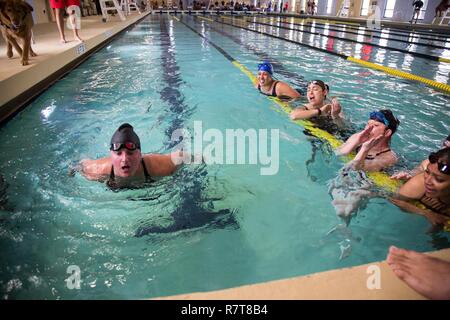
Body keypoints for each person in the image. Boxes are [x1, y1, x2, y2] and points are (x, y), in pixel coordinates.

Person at [80, 123, 184, 188]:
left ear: (140, 155)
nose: (124, 159)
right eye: (118, 153)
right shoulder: (96, 169)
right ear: (111, 155)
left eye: (130, 153)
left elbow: (184, 156)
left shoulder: (158, 166)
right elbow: (77, 166)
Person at [391, 147, 450, 226]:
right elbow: (394, 199)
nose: (427, 181)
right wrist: (426, 213)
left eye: (439, 179)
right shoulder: (420, 183)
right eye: (427, 172)